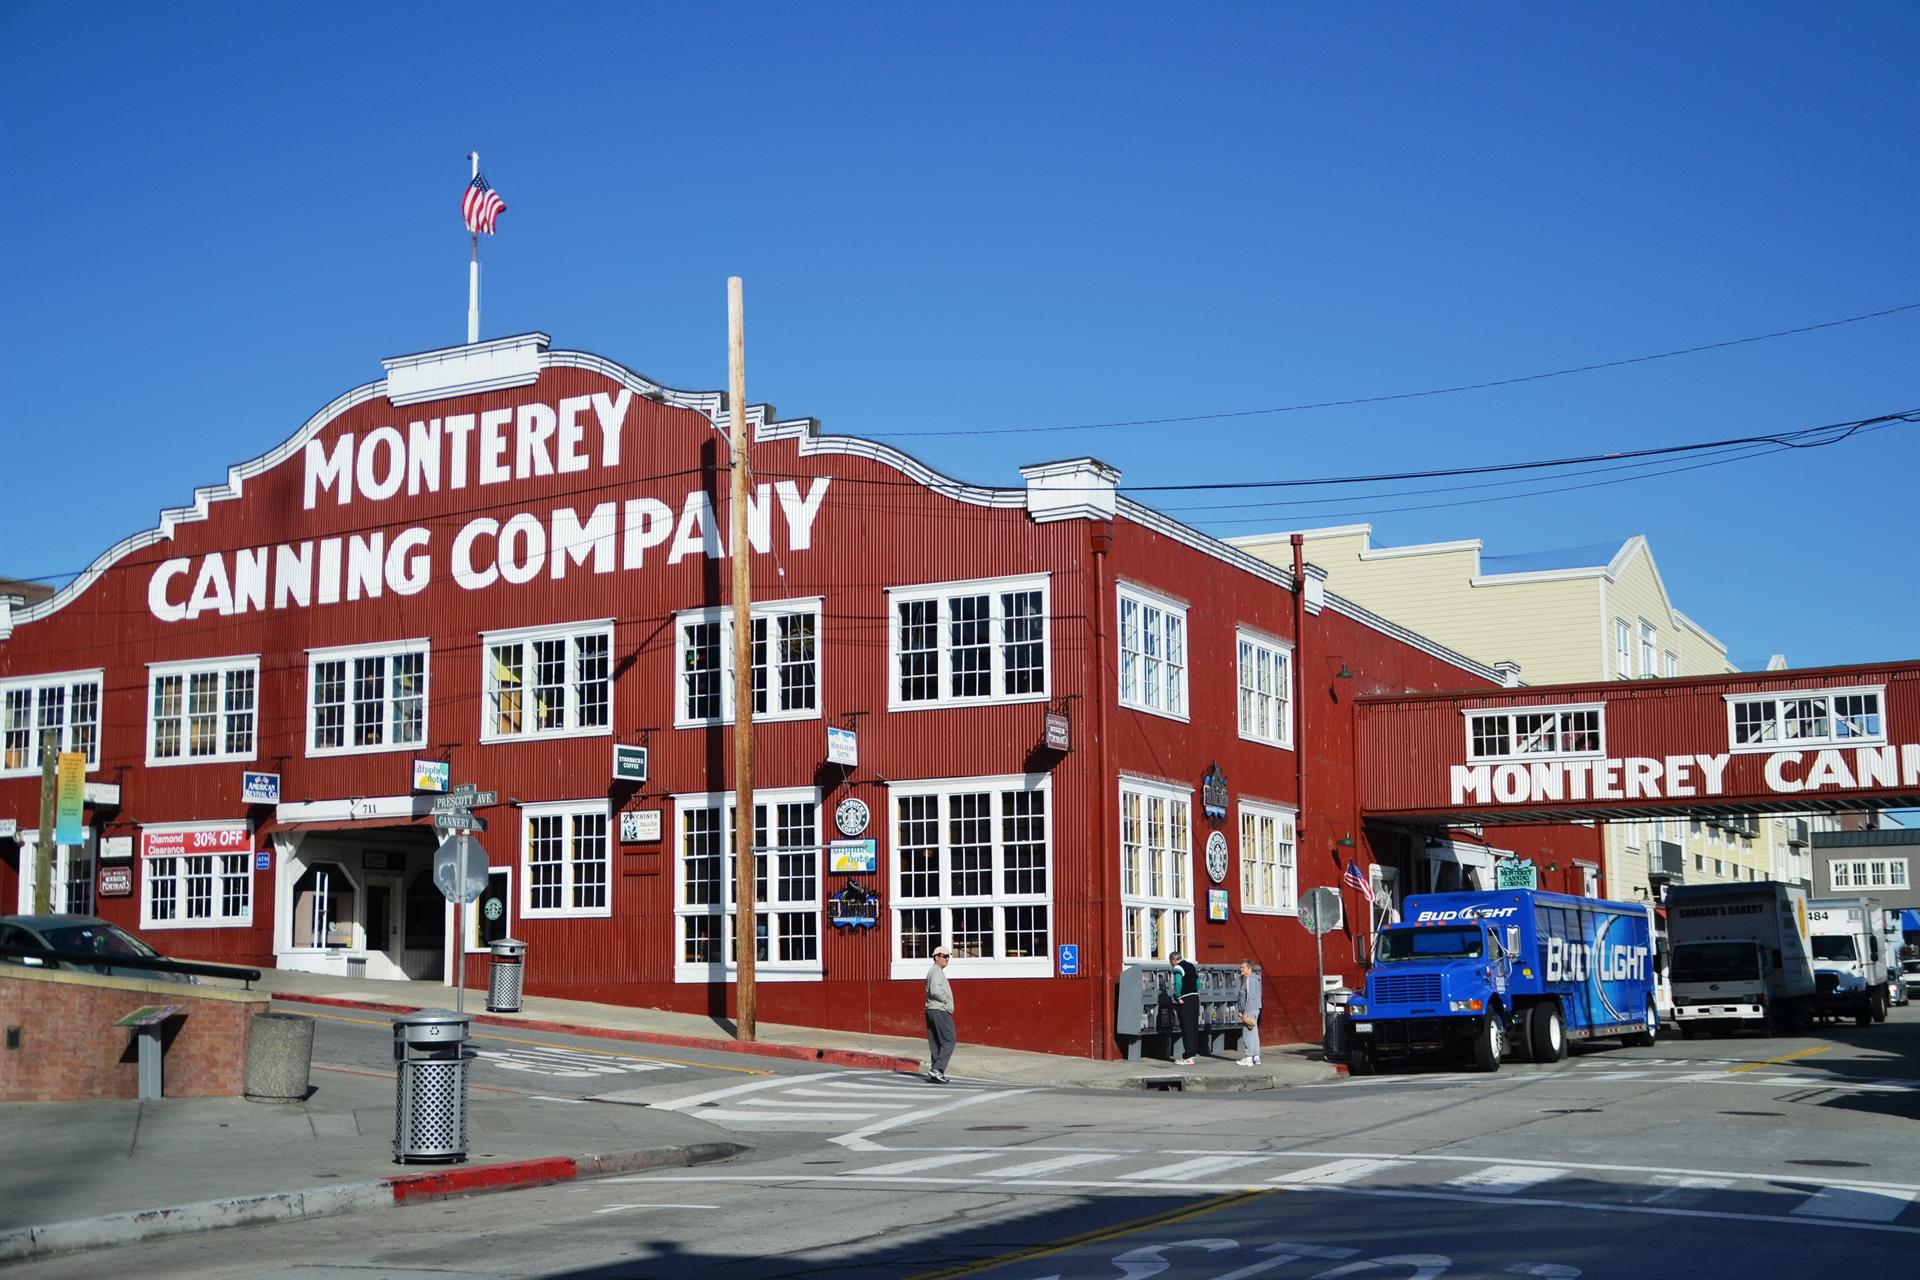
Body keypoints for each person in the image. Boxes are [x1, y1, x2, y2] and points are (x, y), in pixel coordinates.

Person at [924, 944, 956, 1083]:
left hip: (931, 1009)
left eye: (948, 957)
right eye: (944, 956)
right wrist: (946, 1001)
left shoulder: (933, 971)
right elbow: (935, 990)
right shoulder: (937, 971)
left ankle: (935, 1071)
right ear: (936, 957)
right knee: (949, 1039)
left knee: (936, 1042)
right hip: (939, 1009)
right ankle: (937, 1069)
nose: (947, 959)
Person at [1170, 948, 1201, 1065]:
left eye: (1171, 962)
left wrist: (1178, 996)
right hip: (1195, 997)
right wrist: (1194, 990)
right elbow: (1198, 982)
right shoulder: (1191, 966)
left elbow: (1178, 983)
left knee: (1186, 1026)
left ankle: (1188, 1056)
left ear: (1174, 960)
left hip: (1185, 999)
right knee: (1193, 1026)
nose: (1172, 965)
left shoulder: (1178, 967)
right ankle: (1192, 1054)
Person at [1235, 959, 1263, 1067]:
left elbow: (1249, 997)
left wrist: (1245, 1012)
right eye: (1241, 967)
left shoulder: (1249, 980)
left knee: (1247, 1034)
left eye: (1243, 967)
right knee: (1254, 1033)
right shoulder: (1255, 979)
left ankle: (1248, 1058)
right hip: (1254, 1009)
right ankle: (1256, 1056)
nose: (1241, 969)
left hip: (1250, 1011)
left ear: (1249, 968)